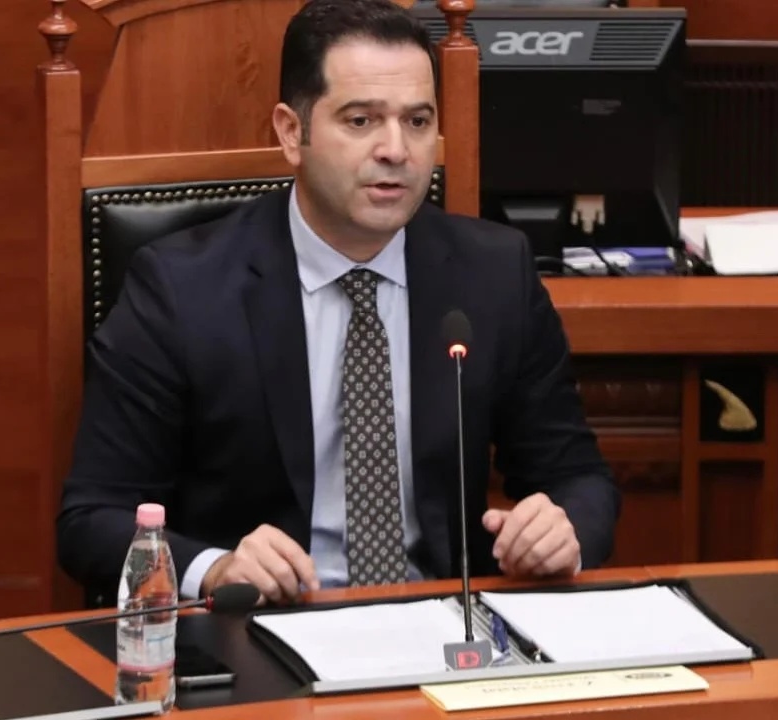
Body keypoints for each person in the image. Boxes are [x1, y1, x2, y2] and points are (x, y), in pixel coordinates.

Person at [56, 0, 620, 606]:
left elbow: (578, 478)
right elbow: (92, 519)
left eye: (417, 121)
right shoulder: (181, 289)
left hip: (441, 622)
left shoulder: (493, 273)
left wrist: (562, 530)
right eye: (360, 120)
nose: (396, 149)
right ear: (290, 132)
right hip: (264, 627)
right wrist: (215, 570)